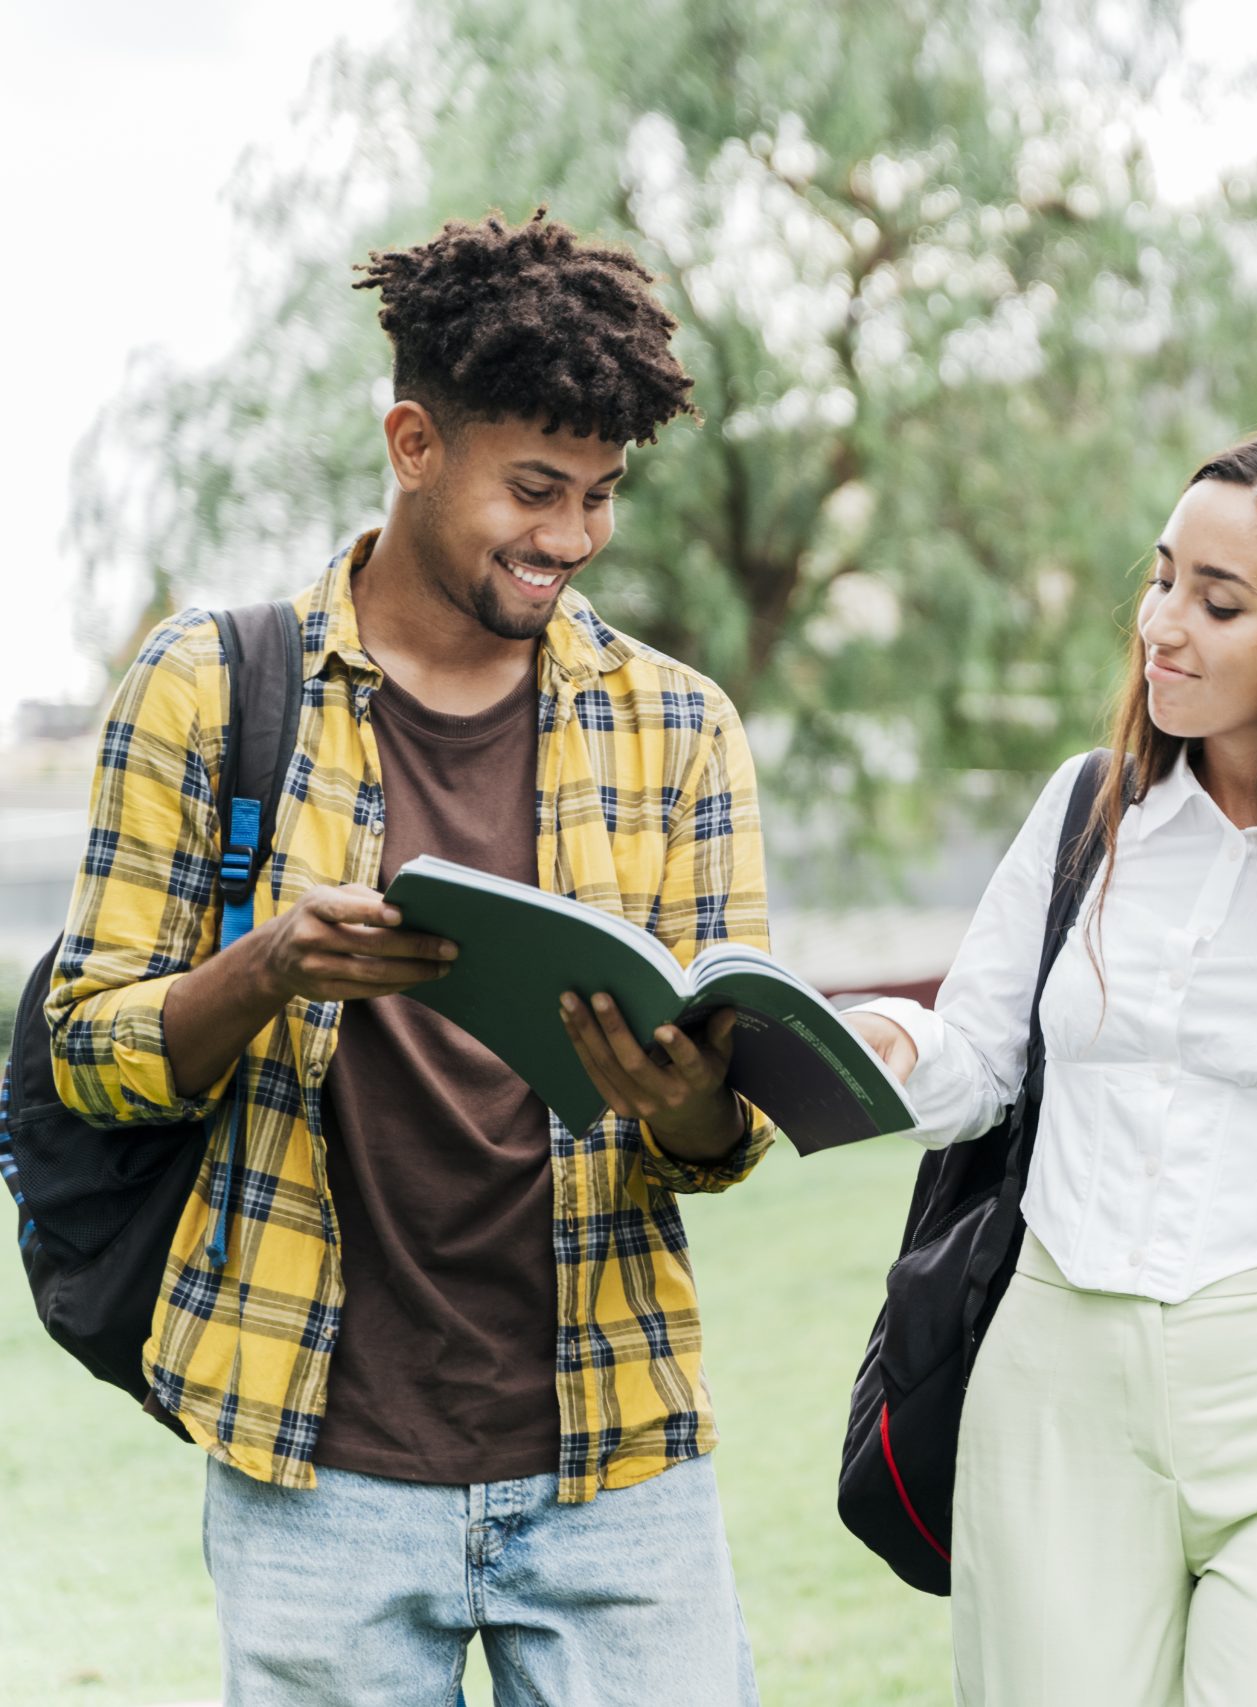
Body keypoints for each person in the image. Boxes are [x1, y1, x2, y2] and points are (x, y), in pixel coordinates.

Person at [48, 211, 770, 1703]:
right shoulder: (207, 686)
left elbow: (720, 1136)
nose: (571, 537)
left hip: (612, 1448)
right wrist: (265, 971)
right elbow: (84, 1049)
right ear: (413, 440)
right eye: (536, 488)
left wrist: (678, 1093)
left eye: (603, 494)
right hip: (314, 1459)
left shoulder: (679, 724)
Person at [846, 433, 1257, 1707]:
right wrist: (892, 1040)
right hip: (1054, 1385)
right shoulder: (1083, 815)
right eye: (1162, 580)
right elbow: (980, 1066)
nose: (1161, 625)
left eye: (1219, 603)